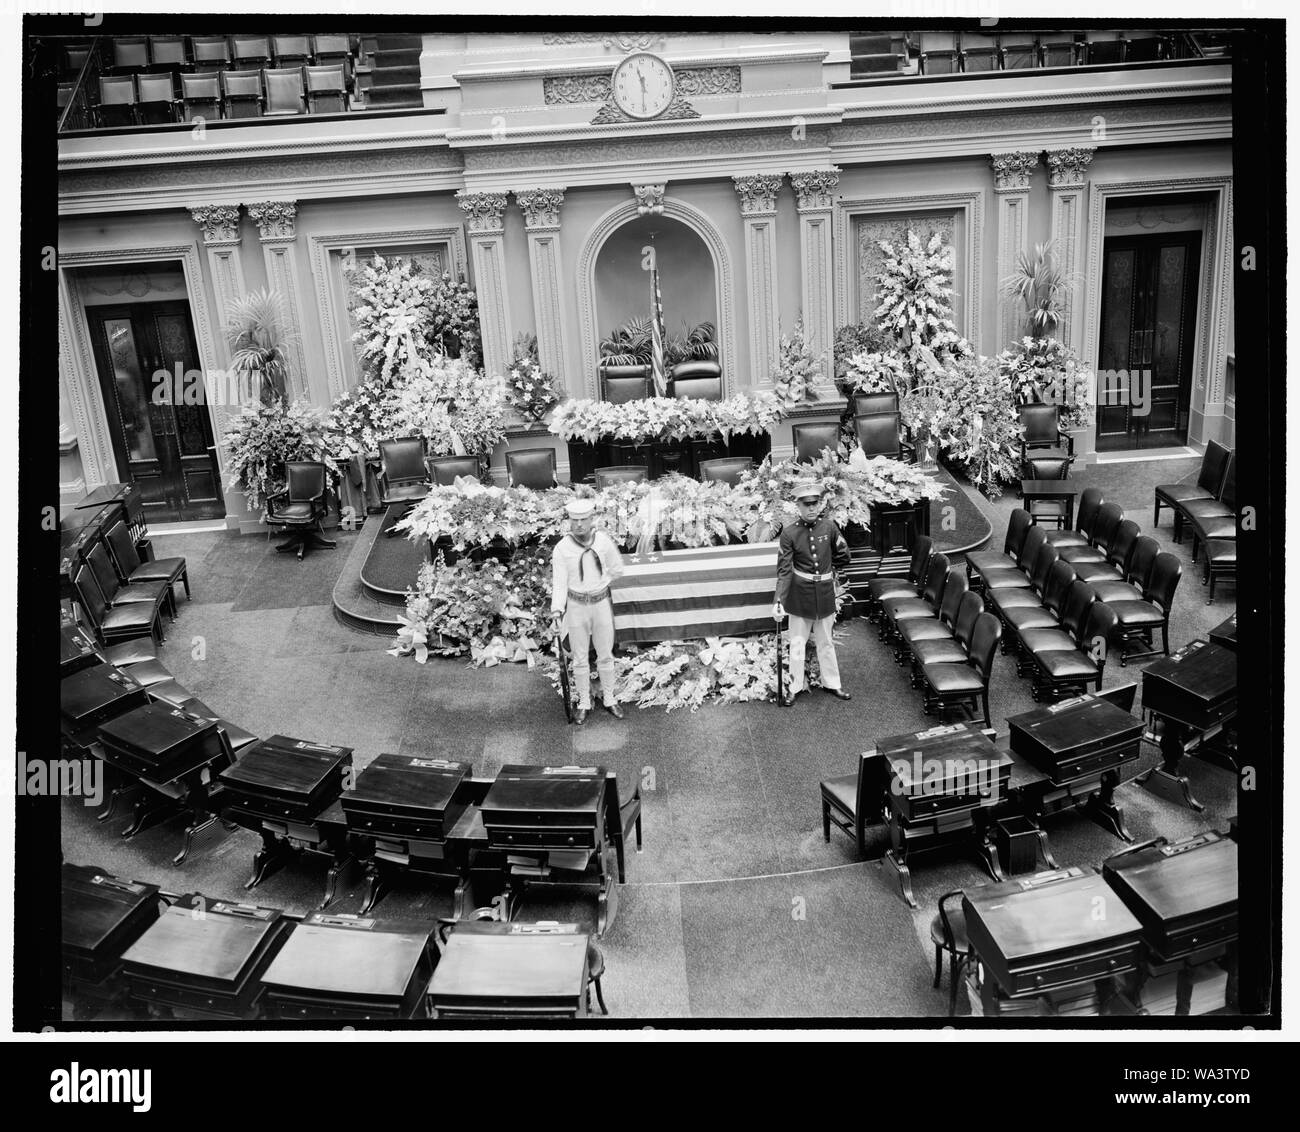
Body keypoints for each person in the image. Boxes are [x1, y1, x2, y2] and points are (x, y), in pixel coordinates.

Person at [773, 478, 852, 707]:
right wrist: (779, 600)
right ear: (797, 506)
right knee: (797, 643)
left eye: (814, 504)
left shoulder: (829, 527)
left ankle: (832, 682)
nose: (810, 508)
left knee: (826, 642)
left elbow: (843, 555)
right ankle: (795, 686)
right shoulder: (789, 534)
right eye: (805, 504)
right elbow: (784, 571)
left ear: (820, 505)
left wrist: (830, 569)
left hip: (825, 593)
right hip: (800, 596)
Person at [551, 497, 626, 724]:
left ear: (592, 519)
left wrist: (600, 584)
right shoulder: (562, 548)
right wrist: (556, 611)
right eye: (575, 520)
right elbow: (560, 583)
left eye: (584, 520)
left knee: (605, 653)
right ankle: (584, 701)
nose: (580, 525)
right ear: (569, 522)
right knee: (580, 657)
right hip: (575, 606)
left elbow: (617, 569)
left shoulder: (603, 542)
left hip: (600, 603)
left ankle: (610, 698)